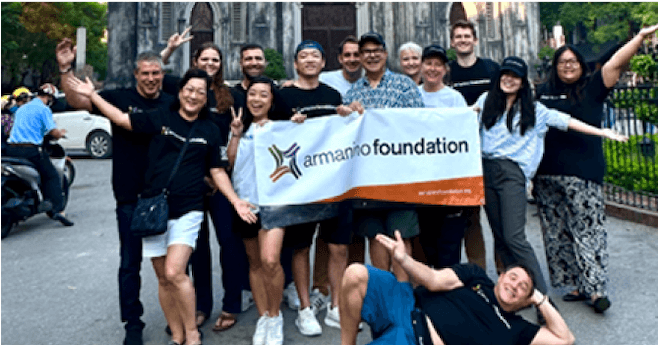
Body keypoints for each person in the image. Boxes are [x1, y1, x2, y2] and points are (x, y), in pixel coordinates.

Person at [69, 68, 256, 345]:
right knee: (163, 278)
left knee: (174, 271)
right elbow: (122, 119)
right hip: (154, 209)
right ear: (180, 92)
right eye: (189, 90)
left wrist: (236, 200)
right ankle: (177, 332)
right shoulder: (161, 117)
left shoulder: (210, 129)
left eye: (200, 93)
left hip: (189, 210)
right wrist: (93, 96)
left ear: (206, 99)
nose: (193, 96)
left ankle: (192, 333)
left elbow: (217, 171)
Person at [473, 56, 627, 322]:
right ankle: (513, 294)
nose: (509, 79)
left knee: (514, 238)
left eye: (515, 76)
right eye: (505, 74)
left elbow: (568, 121)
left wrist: (603, 133)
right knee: (500, 237)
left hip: (512, 174)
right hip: (485, 171)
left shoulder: (535, 109)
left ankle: (543, 301)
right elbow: (460, 117)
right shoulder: (487, 101)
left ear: (522, 82)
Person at [533, 23, 658, 314]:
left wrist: (639, 37)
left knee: (588, 231)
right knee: (556, 234)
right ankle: (574, 285)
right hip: (547, 174)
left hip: (583, 173)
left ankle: (596, 289)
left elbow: (617, 61)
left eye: (573, 61)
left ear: (581, 65)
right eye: (562, 62)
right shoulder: (543, 91)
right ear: (555, 66)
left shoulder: (593, 87)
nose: (567, 66)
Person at [57, 38, 174, 345]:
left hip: (167, 196)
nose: (150, 79)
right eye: (145, 74)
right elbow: (79, 100)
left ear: (163, 75)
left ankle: (177, 318)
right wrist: (65, 68)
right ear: (136, 74)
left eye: (155, 73)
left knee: (174, 267)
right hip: (130, 196)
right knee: (129, 264)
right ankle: (132, 323)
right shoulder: (118, 98)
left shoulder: (171, 101)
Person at [161, 29, 252, 332]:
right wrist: (169, 49)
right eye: (205, 59)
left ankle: (231, 304)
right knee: (196, 248)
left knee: (229, 243)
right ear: (196, 61)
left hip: (221, 180)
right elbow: (156, 76)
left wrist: (222, 169)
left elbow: (242, 133)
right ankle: (200, 306)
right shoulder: (184, 90)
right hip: (190, 183)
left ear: (221, 64)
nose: (211, 64)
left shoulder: (232, 96)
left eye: (215, 60)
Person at [339, 230, 576, 345]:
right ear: (501, 275)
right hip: (406, 304)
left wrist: (540, 299)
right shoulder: (476, 276)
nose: (515, 286)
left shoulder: (518, 329)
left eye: (523, 287)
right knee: (356, 273)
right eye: (513, 277)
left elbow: (566, 340)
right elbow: (433, 279)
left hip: (417, 339)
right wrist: (404, 260)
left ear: (525, 300)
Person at [278, 40, 353, 336]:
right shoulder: (283, 96)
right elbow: (270, 132)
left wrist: (348, 118)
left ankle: (335, 306)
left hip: (332, 182)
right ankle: (305, 308)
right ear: (296, 64)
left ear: (323, 63)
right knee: (300, 247)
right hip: (300, 185)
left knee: (337, 246)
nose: (309, 60)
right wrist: (288, 124)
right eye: (303, 56)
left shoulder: (333, 94)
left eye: (315, 56)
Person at [343, 31, 424, 283]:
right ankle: (385, 293)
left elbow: (420, 124)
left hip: (399, 175)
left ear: (386, 54)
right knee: (375, 238)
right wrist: (347, 114)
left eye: (376, 50)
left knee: (401, 237)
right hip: (367, 178)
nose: (371, 55)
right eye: (365, 51)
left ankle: (403, 294)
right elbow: (345, 135)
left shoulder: (404, 85)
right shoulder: (353, 92)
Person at [228, 76, 287, 345]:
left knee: (270, 260)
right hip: (246, 204)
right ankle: (264, 316)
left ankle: (275, 317)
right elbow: (229, 163)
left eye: (264, 94)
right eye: (252, 94)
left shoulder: (281, 128)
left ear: (272, 99)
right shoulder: (241, 127)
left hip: (274, 205)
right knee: (254, 264)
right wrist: (236, 134)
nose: (257, 99)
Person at [448, 19, 501, 272]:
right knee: (470, 218)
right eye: (458, 37)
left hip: (490, 149)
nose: (463, 40)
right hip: (461, 155)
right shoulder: (448, 73)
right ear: (452, 42)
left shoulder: (491, 69)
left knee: (498, 216)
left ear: (475, 40)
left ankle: (504, 272)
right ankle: (477, 273)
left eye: (467, 36)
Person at [415, 43, 469, 269]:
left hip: (448, 181)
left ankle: (450, 294)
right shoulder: (412, 96)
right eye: (429, 63)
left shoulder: (455, 99)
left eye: (438, 64)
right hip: (420, 179)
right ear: (421, 66)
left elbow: (465, 137)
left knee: (449, 244)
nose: (433, 69)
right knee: (426, 241)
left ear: (445, 69)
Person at [6, 84, 74, 227]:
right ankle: (58, 211)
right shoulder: (43, 110)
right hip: (30, 151)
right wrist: (60, 133)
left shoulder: (21, 109)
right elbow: (53, 132)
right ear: (49, 98)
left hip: (11, 150)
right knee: (52, 175)